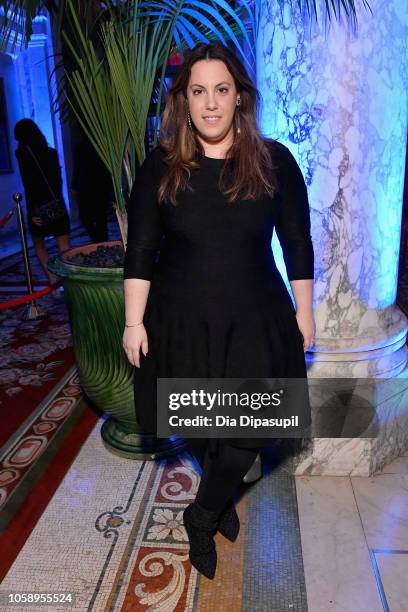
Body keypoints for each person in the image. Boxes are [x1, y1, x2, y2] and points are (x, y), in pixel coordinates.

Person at [122, 42, 316, 580]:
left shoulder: (275, 161)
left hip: (256, 314)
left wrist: (306, 311)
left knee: (246, 429)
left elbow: (297, 242)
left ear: (240, 98)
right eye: (198, 91)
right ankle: (221, 499)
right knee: (207, 426)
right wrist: (133, 322)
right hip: (181, 316)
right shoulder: (161, 168)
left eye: (222, 90)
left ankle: (201, 514)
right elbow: (139, 250)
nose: (210, 104)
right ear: (183, 100)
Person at [14, 119, 71, 287]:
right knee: (64, 245)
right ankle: (69, 280)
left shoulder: (22, 155)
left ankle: (53, 279)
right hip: (56, 203)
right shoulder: (51, 153)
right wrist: (60, 202)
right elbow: (57, 182)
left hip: (38, 207)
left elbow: (30, 185)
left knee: (39, 246)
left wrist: (32, 211)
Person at [71, 138, 113, 243]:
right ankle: (99, 239)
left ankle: (99, 240)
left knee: (97, 217)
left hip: (94, 185)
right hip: (93, 185)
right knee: (96, 217)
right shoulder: (83, 147)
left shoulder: (91, 146)